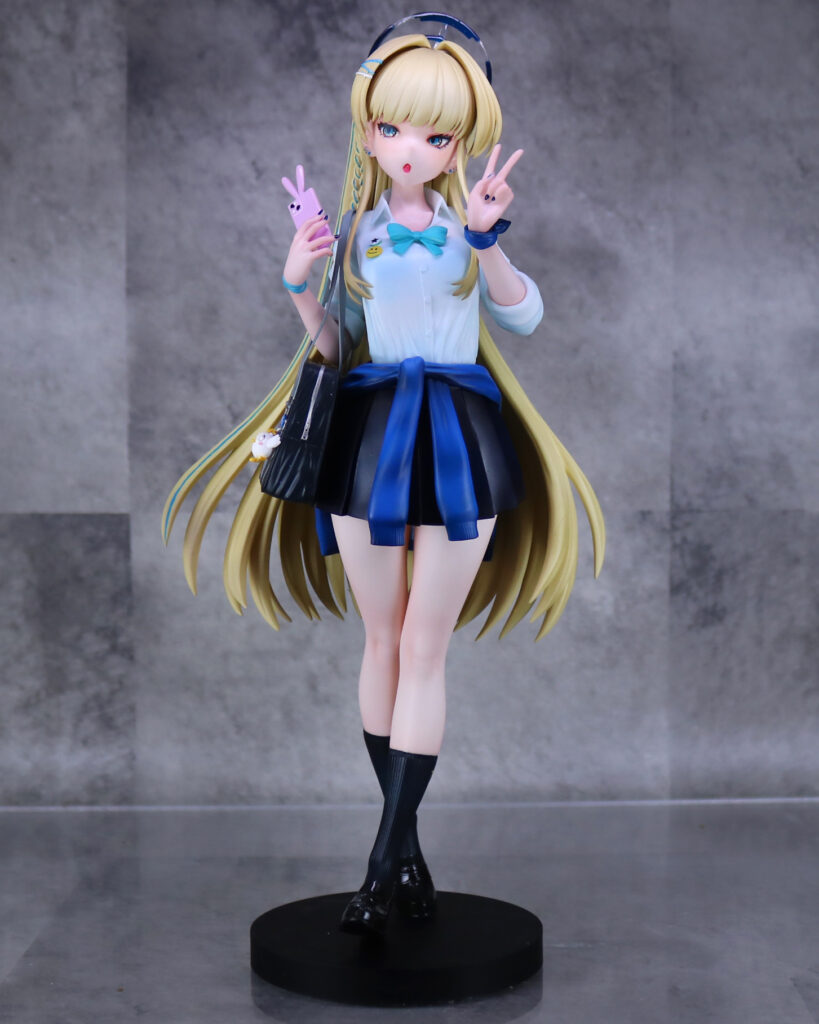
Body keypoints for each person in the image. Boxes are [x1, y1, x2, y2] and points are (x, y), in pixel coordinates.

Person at [163, 27, 605, 937]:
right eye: (394, 128)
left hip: (455, 439)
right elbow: (334, 347)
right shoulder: (354, 234)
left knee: (424, 648)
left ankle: (380, 862)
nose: (411, 149)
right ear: (367, 131)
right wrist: (299, 283)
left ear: (460, 143)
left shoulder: (467, 229)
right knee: (382, 639)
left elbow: (524, 317)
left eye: (436, 135)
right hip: (367, 439)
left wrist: (486, 241)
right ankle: (404, 853)